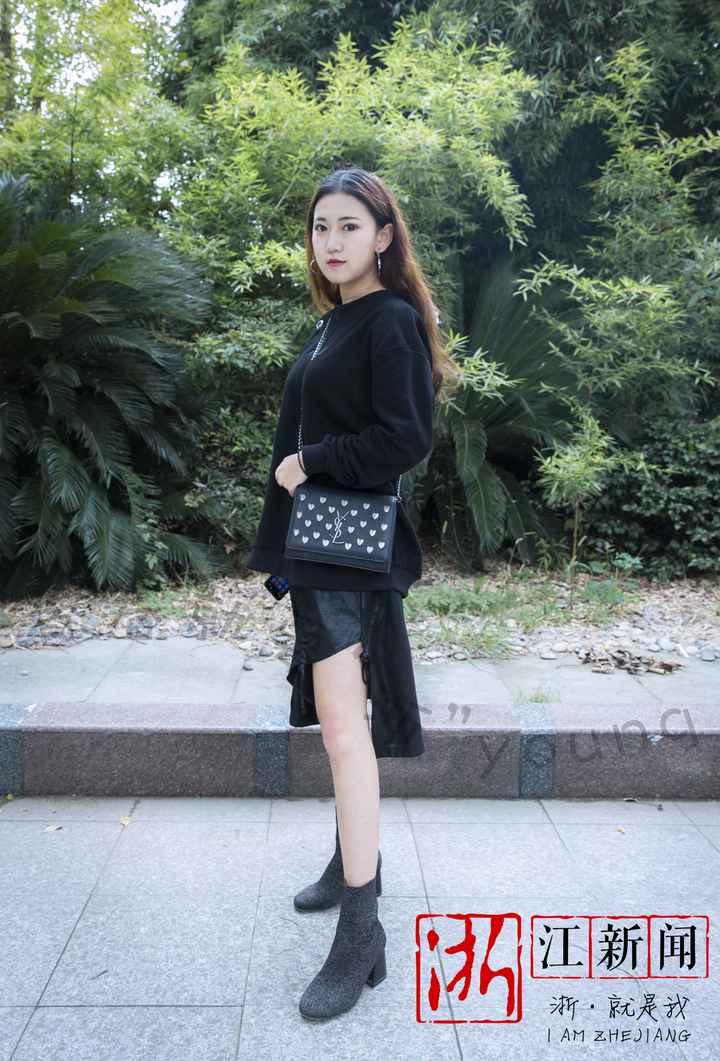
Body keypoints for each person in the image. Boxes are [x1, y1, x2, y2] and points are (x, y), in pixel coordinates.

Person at [244, 166, 457, 1020]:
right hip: (319, 548)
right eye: (320, 227)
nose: (331, 241)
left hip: (348, 555)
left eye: (349, 226)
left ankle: (362, 932)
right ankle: (348, 860)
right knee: (342, 727)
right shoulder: (334, 320)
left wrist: (315, 462)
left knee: (342, 732)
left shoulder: (390, 319)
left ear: (383, 236)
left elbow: (406, 437)